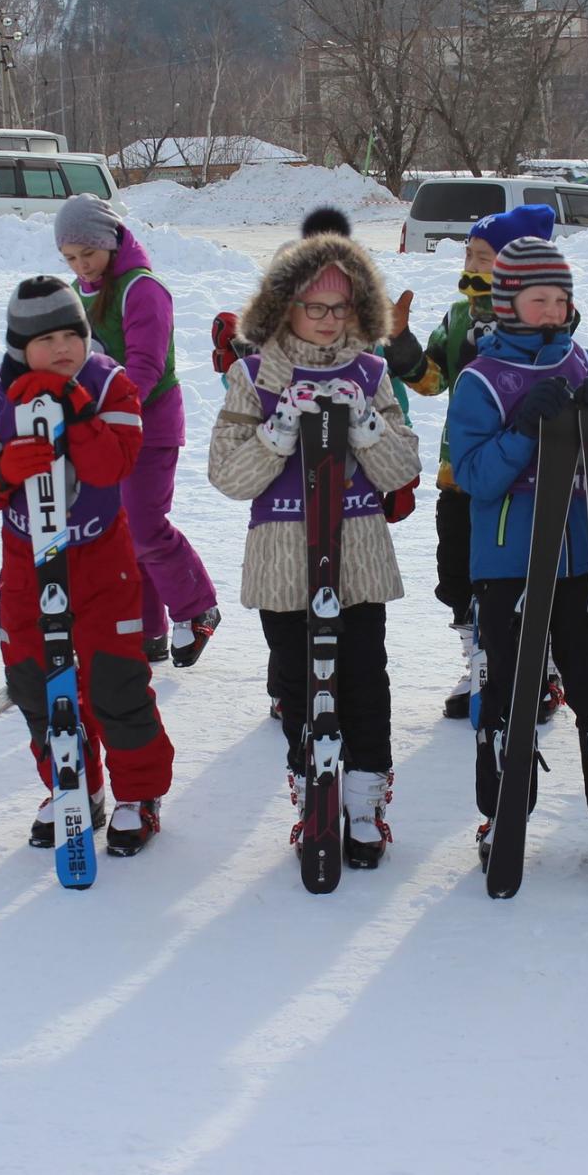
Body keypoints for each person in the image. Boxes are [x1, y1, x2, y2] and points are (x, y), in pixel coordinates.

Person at [207, 231, 421, 868]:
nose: (329, 321)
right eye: (314, 307)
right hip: (283, 557)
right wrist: (276, 434)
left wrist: (366, 424)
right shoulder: (253, 376)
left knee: (363, 679)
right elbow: (227, 476)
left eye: (342, 308)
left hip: (355, 552)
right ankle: (313, 796)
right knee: (300, 682)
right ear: (284, 306)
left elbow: (399, 468)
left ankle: (362, 801)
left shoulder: (372, 371)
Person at [447, 235, 588, 865]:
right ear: (508, 303)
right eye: (539, 300)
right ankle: (501, 810)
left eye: (560, 300)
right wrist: (524, 428)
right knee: (508, 687)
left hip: (581, 561)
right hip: (509, 566)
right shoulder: (480, 380)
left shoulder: (584, 361)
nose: (552, 311)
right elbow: (475, 477)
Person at [0, 278, 175, 854]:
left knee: (115, 680)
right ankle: (73, 785)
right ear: (17, 346)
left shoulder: (109, 384)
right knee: (37, 683)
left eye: (70, 335)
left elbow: (113, 466)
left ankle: (138, 793)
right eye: (44, 338)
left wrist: (74, 411)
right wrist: (7, 469)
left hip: (101, 557)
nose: (61, 349)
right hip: (26, 562)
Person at [384, 202, 563, 721]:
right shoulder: (461, 314)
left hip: (523, 477)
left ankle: (538, 668)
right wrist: (402, 345)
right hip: (461, 473)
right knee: (458, 573)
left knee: (519, 577)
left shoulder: (541, 315)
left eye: (483, 255)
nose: (470, 262)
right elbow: (433, 379)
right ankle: (481, 662)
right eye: (469, 253)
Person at [53, 195, 221, 668]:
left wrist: (106, 411)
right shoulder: (78, 291)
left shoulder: (142, 289)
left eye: (88, 253)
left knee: (145, 525)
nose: (82, 265)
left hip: (151, 427)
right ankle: (149, 630)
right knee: (122, 529)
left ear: (108, 242)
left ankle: (197, 604)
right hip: (104, 429)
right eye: (71, 258)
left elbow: (145, 366)